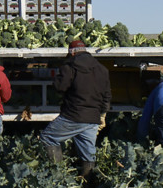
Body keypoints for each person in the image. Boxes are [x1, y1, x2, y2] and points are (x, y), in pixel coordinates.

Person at [40, 40, 111, 179]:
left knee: (47, 138)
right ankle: (88, 186)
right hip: (93, 118)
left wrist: (57, 78)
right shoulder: (102, 69)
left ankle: (58, 176)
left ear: (71, 52)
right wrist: (103, 115)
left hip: (73, 115)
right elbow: (107, 95)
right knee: (88, 153)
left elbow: (60, 87)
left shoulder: (70, 66)